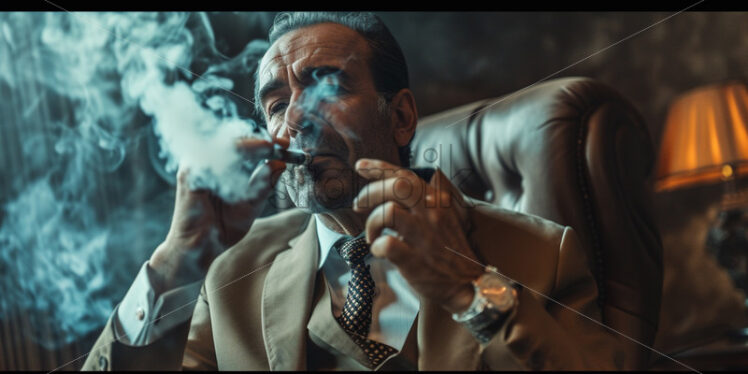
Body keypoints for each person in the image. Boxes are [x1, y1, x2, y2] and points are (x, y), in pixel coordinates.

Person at [82, 12, 624, 370]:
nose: (296, 117)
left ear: (403, 116)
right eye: (275, 104)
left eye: (329, 86)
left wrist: (466, 287)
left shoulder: (544, 253)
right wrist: (177, 260)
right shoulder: (229, 271)